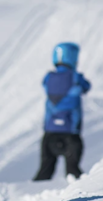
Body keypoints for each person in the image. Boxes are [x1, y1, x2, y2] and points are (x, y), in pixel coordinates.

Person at [34, 43, 91, 181]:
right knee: (73, 172)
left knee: (44, 172)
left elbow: (45, 85)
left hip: (49, 133)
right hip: (71, 134)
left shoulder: (48, 77)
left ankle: (27, 191)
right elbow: (87, 87)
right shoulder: (75, 77)